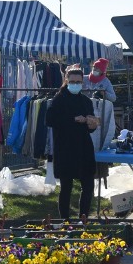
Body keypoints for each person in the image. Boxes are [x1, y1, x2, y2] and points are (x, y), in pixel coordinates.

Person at [46, 66, 98, 219]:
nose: (76, 84)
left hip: (84, 148)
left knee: (88, 186)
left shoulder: (86, 101)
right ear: (67, 81)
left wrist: (92, 123)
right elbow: (50, 120)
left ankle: (83, 218)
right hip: (65, 148)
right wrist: (73, 119)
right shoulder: (59, 99)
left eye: (79, 82)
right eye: (73, 81)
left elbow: (91, 127)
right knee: (66, 187)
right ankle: (65, 220)